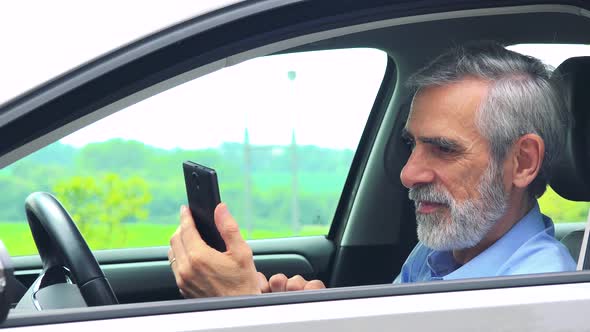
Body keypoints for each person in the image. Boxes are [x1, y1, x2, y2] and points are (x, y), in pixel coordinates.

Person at [168, 42, 576, 297]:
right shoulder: (440, 254)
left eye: (443, 149)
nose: (408, 174)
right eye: (411, 144)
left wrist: (242, 312)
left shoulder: (541, 292)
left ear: (522, 162)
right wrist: (299, 315)